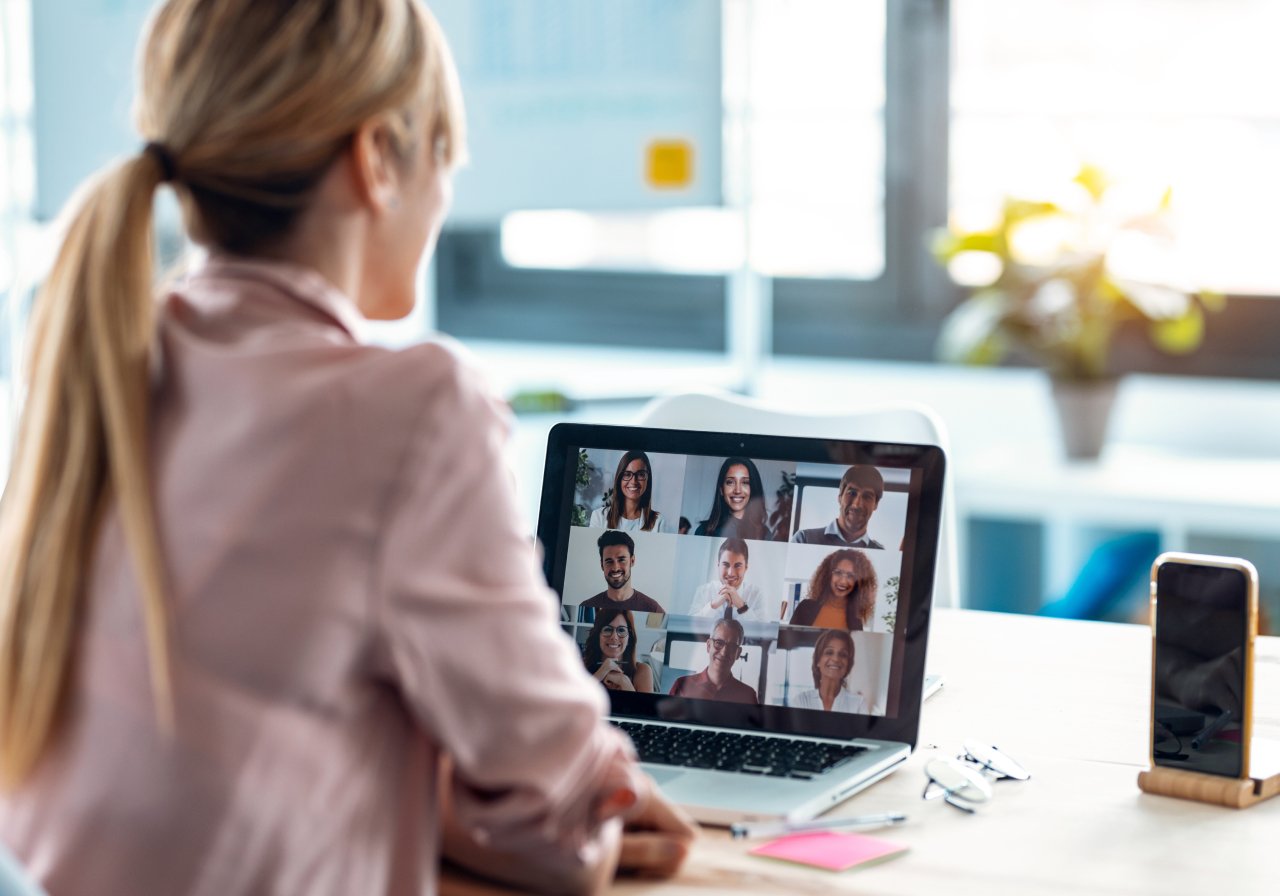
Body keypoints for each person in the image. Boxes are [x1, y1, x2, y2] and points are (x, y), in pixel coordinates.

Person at [0, 3, 696, 893]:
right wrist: (574, 825)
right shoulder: (414, 410)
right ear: (376, 160)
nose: (448, 196)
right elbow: (557, 821)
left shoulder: (108, 356)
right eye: (446, 157)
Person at [791, 465, 887, 548]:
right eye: (852, 493)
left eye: (867, 497)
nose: (857, 504)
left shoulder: (880, 553)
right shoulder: (804, 540)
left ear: (876, 504)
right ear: (840, 497)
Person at [667, 619, 759, 704]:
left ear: (738, 653)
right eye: (719, 643)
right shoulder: (681, 685)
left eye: (731, 646)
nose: (724, 652)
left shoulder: (748, 695)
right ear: (708, 646)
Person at [790, 549, 878, 631]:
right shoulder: (804, 607)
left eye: (851, 576)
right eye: (838, 572)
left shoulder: (857, 622)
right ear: (828, 575)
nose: (843, 581)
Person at [589, 451, 673, 533]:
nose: (633, 481)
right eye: (627, 474)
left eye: (640, 474)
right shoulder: (599, 517)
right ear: (619, 479)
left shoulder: (658, 522)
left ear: (648, 479)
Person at [689, 538, 771, 622]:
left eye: (737, 566)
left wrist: (742, 607)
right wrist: (712, 605)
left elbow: (762, 632)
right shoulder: (703, 591)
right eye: (726, 565)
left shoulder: (758, 595)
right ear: (718, 565)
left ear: (746, 567)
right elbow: (689, 625)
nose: (730, 573)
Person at [581, 530, 665, 613]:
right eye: (609, 561)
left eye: (621, 560)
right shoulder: (587, 605)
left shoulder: (653, 608)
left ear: (632, 561)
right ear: (602, 565)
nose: (615, 568)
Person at [789, 630, 869, 713]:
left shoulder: (859, 703)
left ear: (848, 664)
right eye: (829, 652)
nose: (836, 659)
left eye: (842, 654)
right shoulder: (801, 701)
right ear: (818, 661)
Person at [694, 456, 771, 540]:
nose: (737, 490)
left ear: (753, 489)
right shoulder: (702, 532)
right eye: (730, 482)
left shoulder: (764, 534)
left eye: (745, 482)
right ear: (721, 490)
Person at [583, 609, 655, 693]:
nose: (614, 637)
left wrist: (624, 681)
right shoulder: (581, 666)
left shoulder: (642, 670)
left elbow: (645, 706)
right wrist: (600, 674)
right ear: (597, 636)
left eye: (621, 630)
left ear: (629, 639)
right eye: (607, 629)